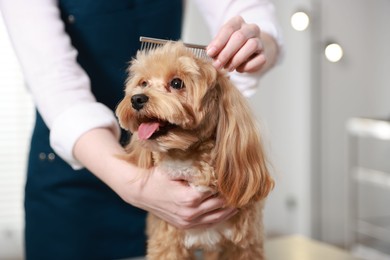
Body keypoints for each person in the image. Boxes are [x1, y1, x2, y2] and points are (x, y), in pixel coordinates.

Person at [0, 0, 282, 259]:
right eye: (142, 84)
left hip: (183, 165)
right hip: (72, 189)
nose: (141, 96)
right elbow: (55, 81)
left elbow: (246, 10)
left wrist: (257, 45)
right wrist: (136, 185)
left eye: (175, 84)